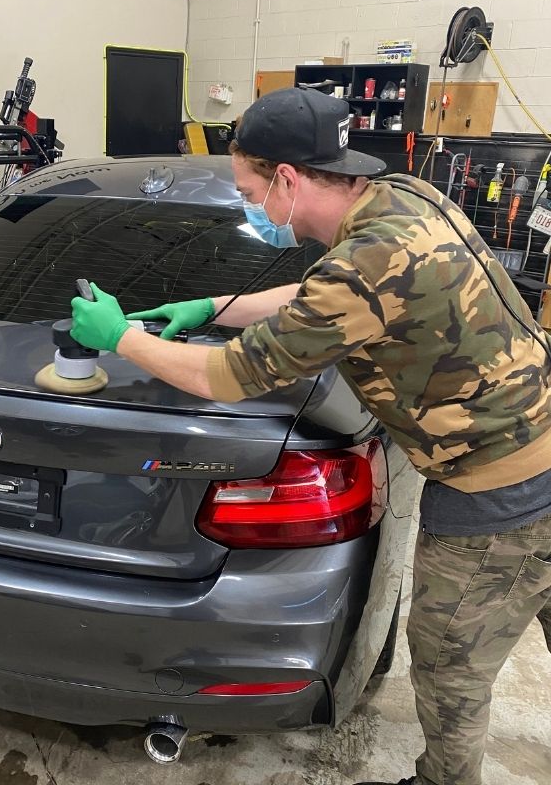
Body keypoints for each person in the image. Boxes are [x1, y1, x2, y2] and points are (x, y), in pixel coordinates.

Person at [70, 86, 551, 785]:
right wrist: (214, 305)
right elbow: (324, 294)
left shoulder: (359, 269)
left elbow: (227, 377)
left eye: (249, 191)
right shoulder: (404, 199)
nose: (251, 205)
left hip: (499, 493)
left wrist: (121, 338)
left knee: (451, 667)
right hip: (541, 431)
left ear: (288, 181)